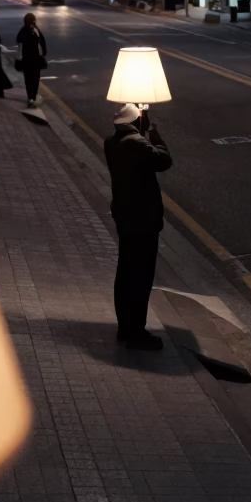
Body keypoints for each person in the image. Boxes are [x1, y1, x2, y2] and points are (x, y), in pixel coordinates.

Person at [104, 103, 173, 351]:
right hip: (142, 219)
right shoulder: (137, 143)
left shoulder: (111, 142)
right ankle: (136, 332)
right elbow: (164, 160)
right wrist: (152, 131)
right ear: (135, 124)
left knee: (125, 272)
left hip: (125, 215)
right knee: (141, 276)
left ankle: (125, 326)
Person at [15, 12, 47, 107]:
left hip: (26, 60)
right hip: (36, 60)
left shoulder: (22, 31)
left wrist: (19, 59)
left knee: (28, 79)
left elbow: (20, 46)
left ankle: (30, 98)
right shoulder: (36, 30)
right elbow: (42, 44)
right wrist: (43, 55)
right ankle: (34, 96)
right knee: (35, 79)